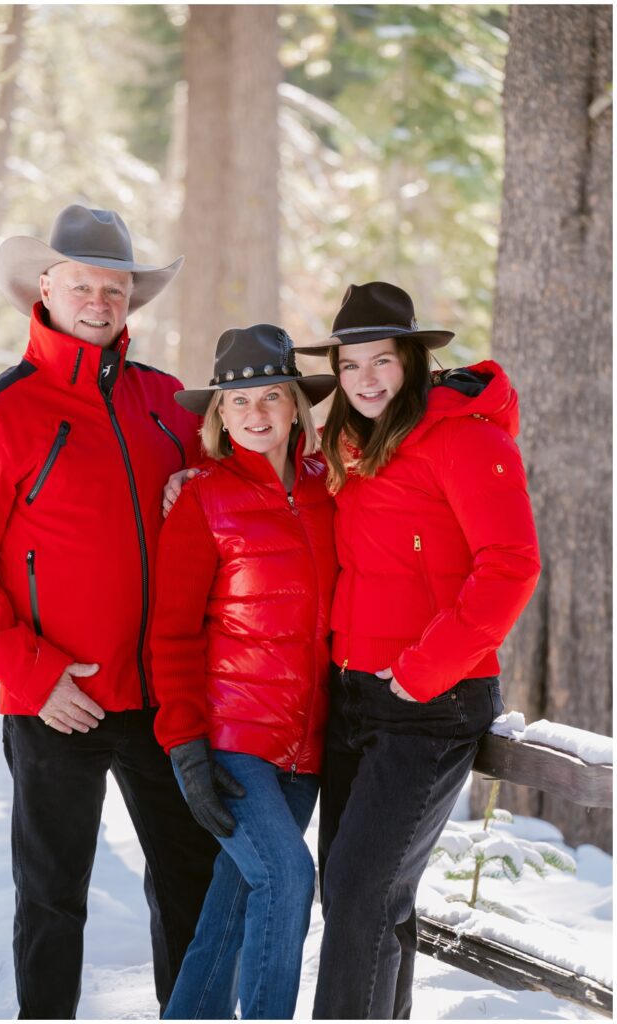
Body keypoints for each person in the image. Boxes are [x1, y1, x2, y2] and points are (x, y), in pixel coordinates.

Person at [0, 204, 219, 1020]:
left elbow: (235, 495)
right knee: (53, 899)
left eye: (116, 286)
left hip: (164, 697)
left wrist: (197, 486)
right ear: (47, 288)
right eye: (85, 283)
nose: (100, 299)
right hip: (57, 703)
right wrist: (34, 676)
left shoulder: (171, 404)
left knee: (188, 884)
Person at [293, 282, 541, 1020]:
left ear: (413, 361)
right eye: (349, 366)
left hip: (429, 699)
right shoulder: (348, 445)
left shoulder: (465, 438)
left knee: (360, 888)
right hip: (353, 697)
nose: (366, 378)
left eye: (381, 361)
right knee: (366, 892)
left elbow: (510, 564)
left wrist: (420, 672)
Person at [151, 324, 338, 1020]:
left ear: (296, 406)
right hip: (231, 743)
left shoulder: (331, 485)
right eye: (236, 402)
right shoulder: (201, 498)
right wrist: (185, 744)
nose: (254, 414)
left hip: (307, 745)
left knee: (231, 907)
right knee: (287, 878)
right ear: (217, 416)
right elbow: (168, 634)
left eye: (269, 397)